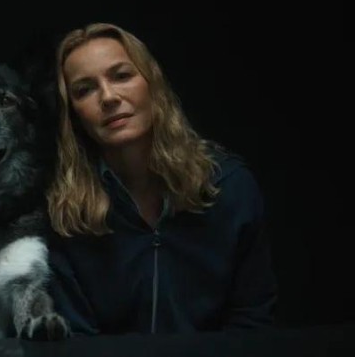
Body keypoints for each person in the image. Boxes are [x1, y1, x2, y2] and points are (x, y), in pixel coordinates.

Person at [45, 22, 276, 335]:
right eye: (85, 90)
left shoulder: (229, 186)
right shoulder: (66, 213)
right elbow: (76, 339)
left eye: (121, 76)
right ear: (73, 115)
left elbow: (252, 318)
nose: (108, 97)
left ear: (152, 82)